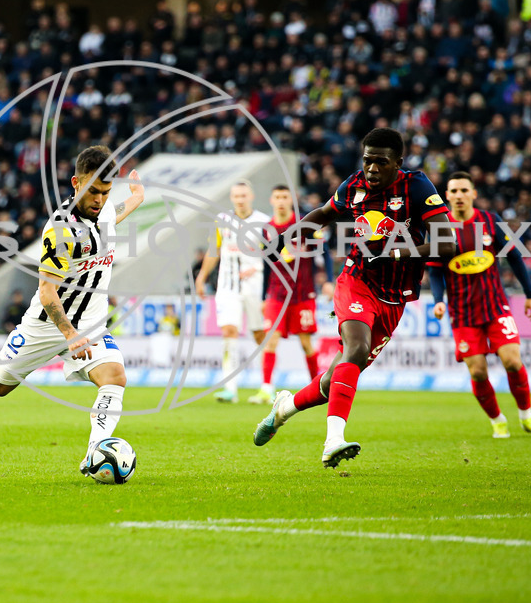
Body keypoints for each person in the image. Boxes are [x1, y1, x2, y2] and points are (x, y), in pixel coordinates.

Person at [253, 128, 455, 467]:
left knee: (336, 377)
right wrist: (285, 238)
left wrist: (395, 254)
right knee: (356, 348)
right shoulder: (354, 185)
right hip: (356, 281)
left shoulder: (417, 187)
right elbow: (323, 213)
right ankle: (333, 441)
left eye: (381, 162)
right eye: (367, 161)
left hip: (395, 297)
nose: (372, 169)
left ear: (398, 163)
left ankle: (283, 409)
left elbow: (448, 244)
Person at [0, 146, 144, 478]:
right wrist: (69, 334)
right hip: (48, 325)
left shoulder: (104, 208)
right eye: (93, 191)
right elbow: (47, 291)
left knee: (114, 377)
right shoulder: (61, 230)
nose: (99, 199)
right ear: (76, 183)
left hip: (90, 324)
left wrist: (136, 196)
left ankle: (95, 451)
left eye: (106, 192)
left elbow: (114, 213)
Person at [428, 172, 531, 439]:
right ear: (446, 196)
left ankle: (527, 416)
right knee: (478, 371)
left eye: (464, 190)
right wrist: (438, 300)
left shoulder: (490, 221)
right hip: (462, 313)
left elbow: (515, 257)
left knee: (512, 361)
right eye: (454, 191)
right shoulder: (440, 228)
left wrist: (530, 295)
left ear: (473, 193)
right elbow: (435, 271)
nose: (459, 195)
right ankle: (497, 420)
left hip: (495, 306)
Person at [195, 180, 271, 403]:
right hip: (227, 285)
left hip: (256, 285)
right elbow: (214, 250)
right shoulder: (222, 220)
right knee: (229, 331)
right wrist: (202, 277)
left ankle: (266, 386)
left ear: (251, 196)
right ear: (231, 198)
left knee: (259, 334)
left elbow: (273, 256)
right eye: (236, 196)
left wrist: (257, 268)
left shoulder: (264, 223)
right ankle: (230, 388)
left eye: (243, 195)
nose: (240, 200)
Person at [261, 185, 332, 403]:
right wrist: (263, 296)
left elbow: (325, 252)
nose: (281, 201)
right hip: (276, 294)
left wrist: (328, 280)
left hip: (302, 294)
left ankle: (316, 387)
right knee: (271, 339)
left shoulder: (305, 224)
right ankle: (266, 388)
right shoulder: (267, 230)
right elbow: (266, 265)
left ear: (291, 200)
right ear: (272, 200)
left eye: (285, 197)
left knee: (306, 343)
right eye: (277, 197)